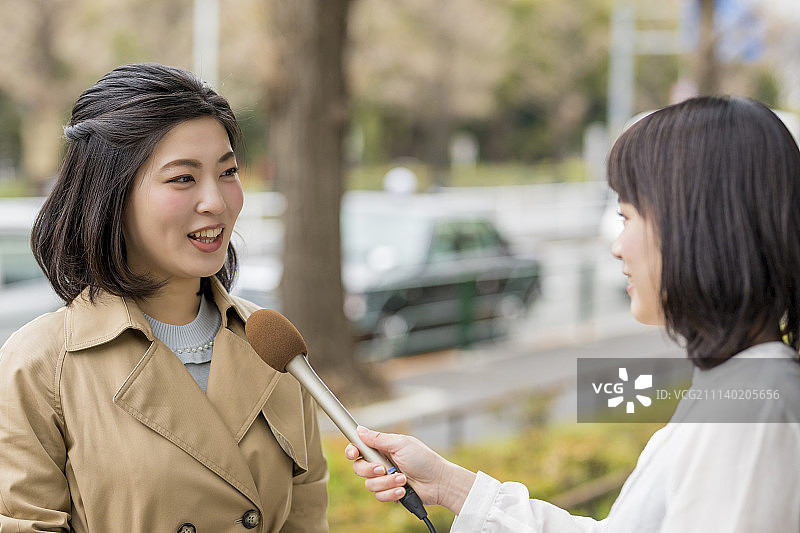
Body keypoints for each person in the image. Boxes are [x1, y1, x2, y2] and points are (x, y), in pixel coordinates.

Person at [345, 96, 800, 532]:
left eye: (628, 217)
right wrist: (446, 483)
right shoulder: (746, 388)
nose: (617, 246)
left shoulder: (757, 411)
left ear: (696, 227)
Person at [0, 63, 329, 532]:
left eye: (228, 171)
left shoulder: (273, 347)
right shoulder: (38, 365)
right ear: (110, 194)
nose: (216, 201)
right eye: (182, 178)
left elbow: (307, 516)